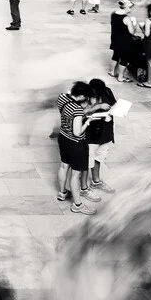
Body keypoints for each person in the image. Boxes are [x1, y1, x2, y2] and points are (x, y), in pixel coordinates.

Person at [55, 81, 107, 215]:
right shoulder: (77, 110)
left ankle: (62, 193)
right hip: (76, 144)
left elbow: (68, 93)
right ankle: (77, 205)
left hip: (63, 137)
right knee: (75, 175)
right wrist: (88, 121)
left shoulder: (62, 97)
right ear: (82, 95)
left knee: (63, 166)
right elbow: (77, 132)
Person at [85, 78, 117, 193]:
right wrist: (98, 106)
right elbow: (81, 113)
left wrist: (113, 111)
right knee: (87, 159)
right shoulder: (85, 95)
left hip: (105, 132)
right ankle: (83, 187)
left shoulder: (107, 91)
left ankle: (96, 181)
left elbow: (114, 105)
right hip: (90, 133)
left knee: (99, 157)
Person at [109, 0, 142, 83]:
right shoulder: (126, 18)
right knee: (124, 58)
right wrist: (134, 24)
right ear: (127, 7)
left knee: (115, 55)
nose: (131, 9)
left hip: (115, 39)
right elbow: (132, 32)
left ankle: (112, 71)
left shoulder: (113, 14)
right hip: (125, 41)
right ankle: (120, 77)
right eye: (130, 7)